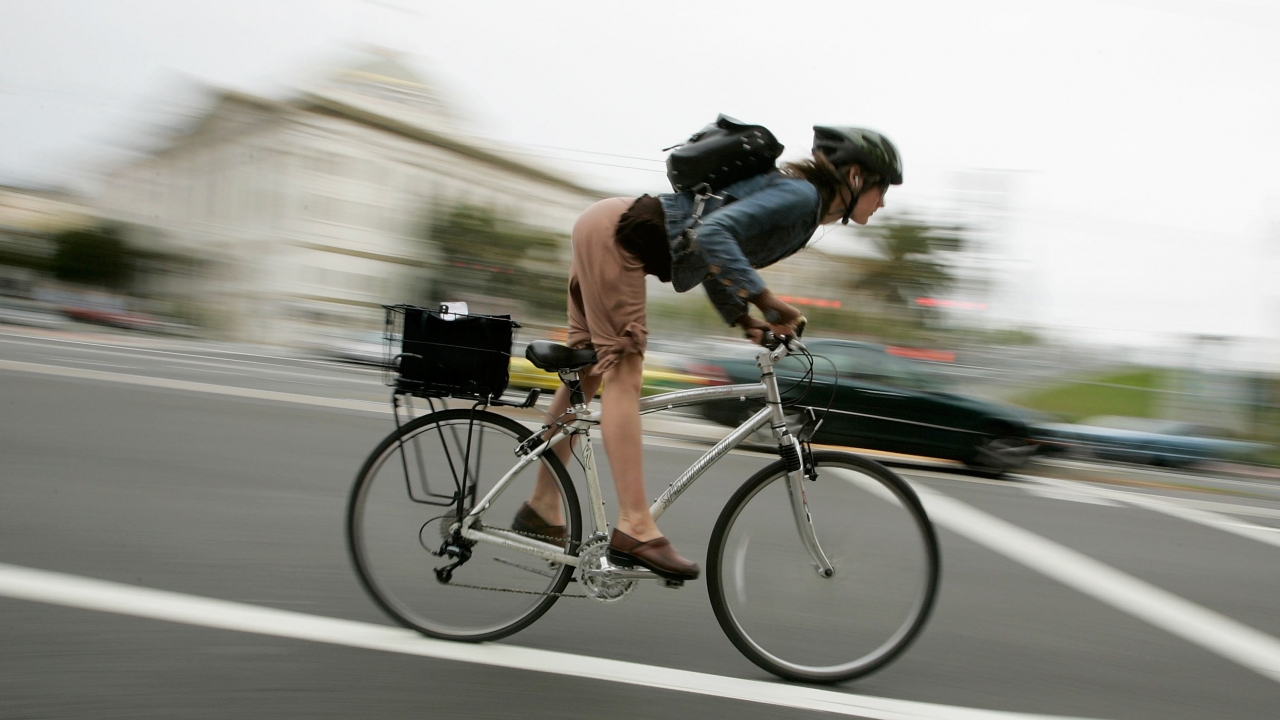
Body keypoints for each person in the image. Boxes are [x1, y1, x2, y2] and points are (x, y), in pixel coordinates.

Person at [514, 126, 903, 581]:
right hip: (618, 235)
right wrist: (767, 301)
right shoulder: (801, 198)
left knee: (586, 378)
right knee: (624, 372)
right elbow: (714, 235)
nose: (882, 203)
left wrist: (745, 320)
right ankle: (635, 525)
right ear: (855, 176)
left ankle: (542, 507)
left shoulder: (801, 207)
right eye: (882, 189)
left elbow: (718, 253)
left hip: (605, 225)